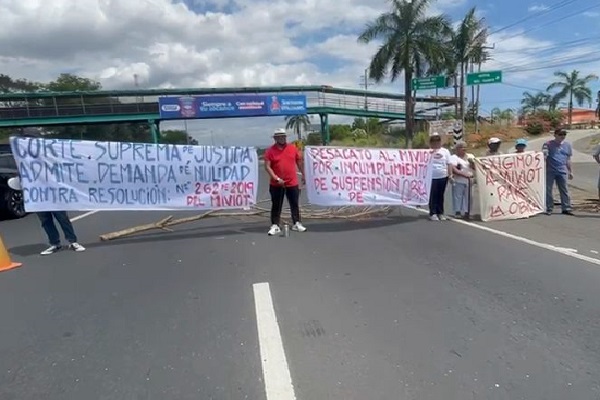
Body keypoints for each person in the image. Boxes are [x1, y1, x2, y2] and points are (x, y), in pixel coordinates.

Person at [264, 128, 307, 235]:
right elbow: (267, 167)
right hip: (276, 183)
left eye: (283, 136)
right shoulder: (270, 151)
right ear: (275, 138)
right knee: (276, 205)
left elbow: (299, 162)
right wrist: (276, 178)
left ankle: (297, 223)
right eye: (279, 136)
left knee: (294, 204)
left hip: (292, 182)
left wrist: (304, 174)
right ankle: (275, 225)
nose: (282, 138)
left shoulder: (292, 148)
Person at [542, 128, 574, 215]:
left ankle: (566, 208)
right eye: (560, 134)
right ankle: (549, 208)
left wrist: (570, 171)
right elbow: (543, 156)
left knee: (564, 189)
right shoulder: (548, 144)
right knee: (549, 189)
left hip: (562, 170)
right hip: (550, 170)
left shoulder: (567, 145)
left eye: (564, 134)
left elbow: (568, 159)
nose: (562, 136)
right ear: (555, 135)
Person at [428, 132, 453, 221]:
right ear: (431, 142)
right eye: (434, 141)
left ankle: (440, 212)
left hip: (443, 176)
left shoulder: (445, 151)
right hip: (431, 177)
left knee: (440, 195)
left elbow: (449, 163)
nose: (436, 143)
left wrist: (450, 175)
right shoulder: (427, 151)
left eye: (437, 141)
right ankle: (433, 212)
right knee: (433, 195)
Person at [450, 141, 474, 219]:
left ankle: (468, 212)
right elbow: (454, 169)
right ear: (457, 149)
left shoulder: (470, 156)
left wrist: (472, 163)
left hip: (469, 180)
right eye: (461, 147)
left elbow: (475, 167)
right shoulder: (454, 157)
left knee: (469, 197)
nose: (464, 149)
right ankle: (457, 211)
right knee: (458, 196)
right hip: (459, 180)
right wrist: (464, 175)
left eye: (465, 147)